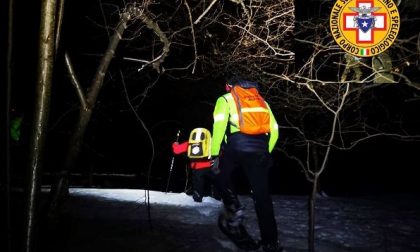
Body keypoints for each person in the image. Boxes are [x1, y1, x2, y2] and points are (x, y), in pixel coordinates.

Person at [210, 76, 282, 252]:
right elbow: (275, 130)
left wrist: (214, 154)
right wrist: (267, 151)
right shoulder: (262, 101)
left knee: (218, 172)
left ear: (230, 86)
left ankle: (234, 208)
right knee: (262, 197)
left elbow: (219, 126)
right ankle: (270, 243)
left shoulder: (225, 99)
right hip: (260, 148)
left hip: (236, 145)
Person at [172, 128, 220, 202]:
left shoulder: (190, 143)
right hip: (211, 167)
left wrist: (175, 145)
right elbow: (219, 152)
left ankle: (198, 197)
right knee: (216, 181)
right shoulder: (211, 142)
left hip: (197, 168)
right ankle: (217, 197)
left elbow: (177, 150)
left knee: (198, 184)